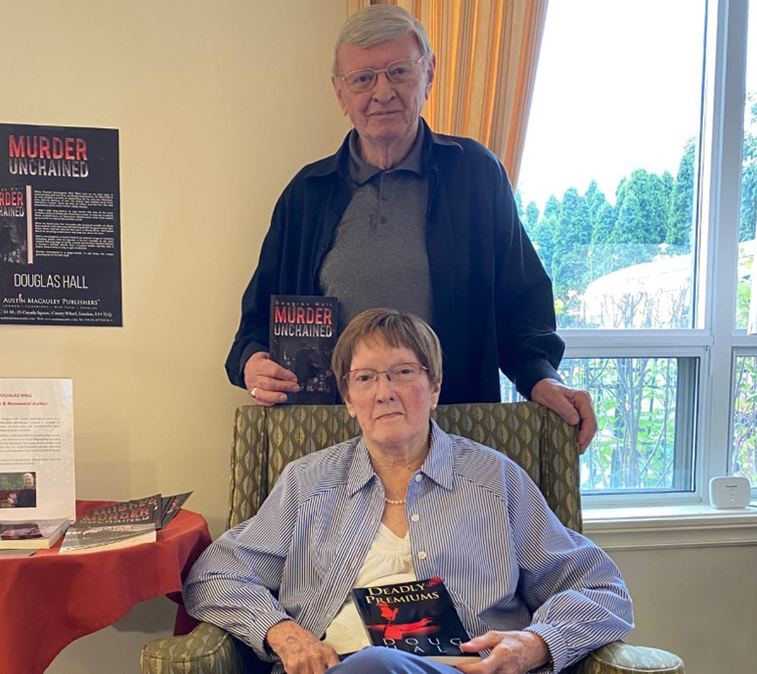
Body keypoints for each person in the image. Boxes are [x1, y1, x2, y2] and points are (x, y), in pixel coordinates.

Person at [225, 5, 596, 452]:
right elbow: (255, 324)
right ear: (340, 93)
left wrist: (542, 379)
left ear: (429, 74)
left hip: (454, 435)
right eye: (363, 79)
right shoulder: (307, 194)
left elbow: (522, 311)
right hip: (329, 440)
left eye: (399, 71)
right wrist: (253, 365)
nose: (382, 92)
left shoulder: (476, 175)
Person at [187, 308, 632, 674]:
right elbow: (214, 574)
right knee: (371, 666)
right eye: (364, 378)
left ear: (435, 387)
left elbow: (602, 588)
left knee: (378, 664)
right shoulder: (307, 483)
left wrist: (534, 643)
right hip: (335, 668)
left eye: (403, 372)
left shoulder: (495, 480)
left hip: (461, 669)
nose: (384, 393)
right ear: (347, 398)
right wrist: (284, 633)